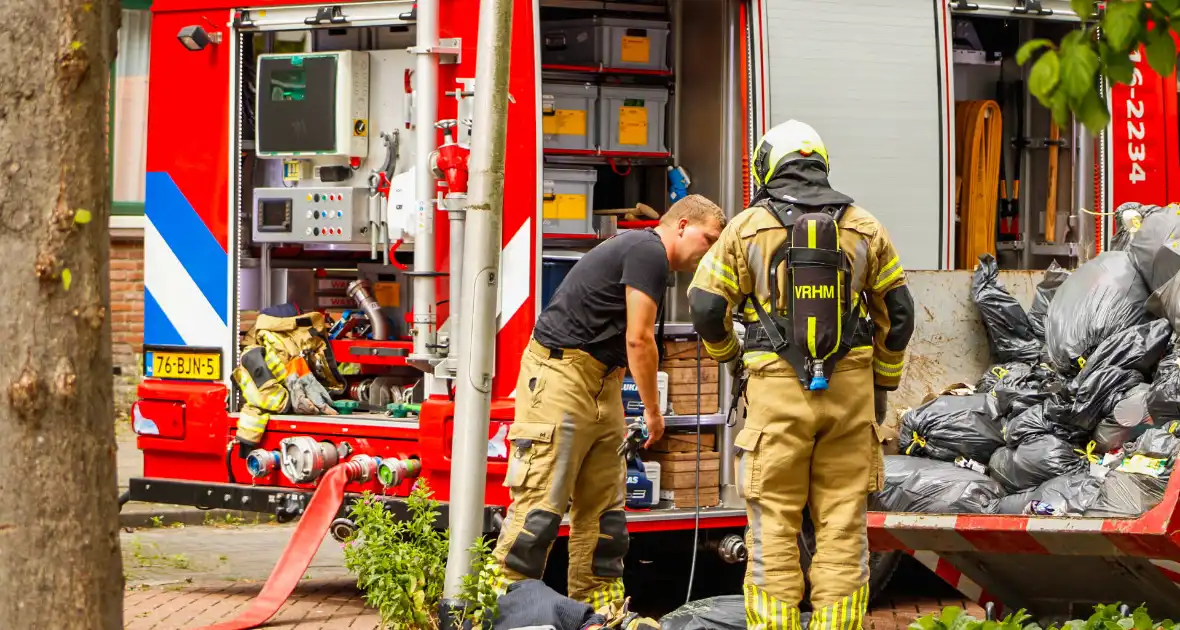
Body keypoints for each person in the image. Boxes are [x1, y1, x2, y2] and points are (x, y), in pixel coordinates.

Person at [688, 120, 915, 628]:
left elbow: (704, 306)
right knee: (842, 528)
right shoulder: (864, 226)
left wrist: (728, 356)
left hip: (775, 397)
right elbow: (899, 315)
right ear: (820, 162)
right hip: (851, 396)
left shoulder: (747, 227)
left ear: (767, 165)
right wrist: (882, 384)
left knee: (774, 527)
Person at [490, 194, 727, 609]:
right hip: (561, 377)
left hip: (602, 380)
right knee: (540, 509)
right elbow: (639, 338)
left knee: (605, 517)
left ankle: (600, 611)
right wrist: (654, 413)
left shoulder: (650, 258)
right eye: (708, 239)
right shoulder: (647, 250)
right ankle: (497, 609)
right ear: (684, 225)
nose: (708, 251)